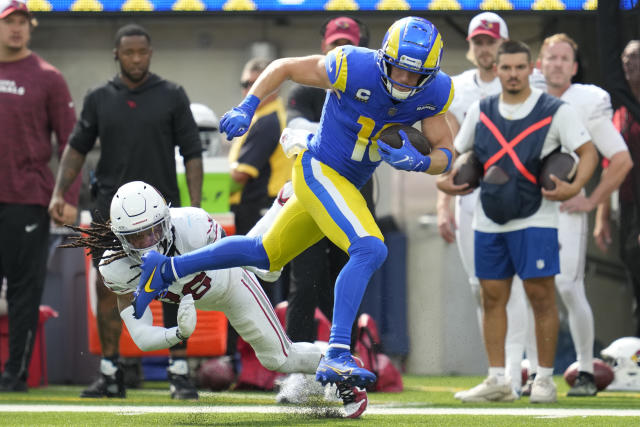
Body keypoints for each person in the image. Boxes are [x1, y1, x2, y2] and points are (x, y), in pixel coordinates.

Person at [135, 16, 455, 390]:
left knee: (263, 254)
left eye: (415, 76)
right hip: (318, 168)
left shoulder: (434, 93)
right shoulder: (352, 65)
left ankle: (167, 269)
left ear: (430, 75)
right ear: (385, 58)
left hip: (348, 183)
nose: (404, 80)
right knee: (370, 248)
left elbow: (447, 152)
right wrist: (248, 105)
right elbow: (284, 67)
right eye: (399, 69)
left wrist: (422, 162)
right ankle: (337, 354)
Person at [63, 181, 368, 418]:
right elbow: (141, 336)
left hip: (230, 283)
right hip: (204, 295)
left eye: (153, 231)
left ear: (167, 220)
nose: (147, 244)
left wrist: (260, 262)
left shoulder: (193, 225)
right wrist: (176, 334)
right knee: (276, 341)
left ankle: (343, 369)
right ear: (120, 236)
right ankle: (333, 360)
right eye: (136, 237)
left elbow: (237, 252)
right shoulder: (115, 267)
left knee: (277, 347)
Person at [48, 24, 203, 399]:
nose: (136, 58)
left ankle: (179, 372)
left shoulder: (172, 95)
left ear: (151, 53)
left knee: (173, 285)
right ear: (116, 55)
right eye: (129, 52)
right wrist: (58, 192)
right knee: (107, 287)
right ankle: (111, 372)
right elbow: (76, 148)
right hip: (108, 216)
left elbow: (193, 152)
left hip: (162, 213)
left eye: (142, 52)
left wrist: (194, 207)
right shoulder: (100, 97)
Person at [438, 40, 598, 404]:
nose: (512, 74)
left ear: (531, 69)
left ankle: (543, 379)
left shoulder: (556, 110)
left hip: (536, 217)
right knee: (492, 297)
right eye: (505, 68)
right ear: (497, 70)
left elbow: (587, 152)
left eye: (519, 68)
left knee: (541, 297)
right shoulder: (480, 111)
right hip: (488, 219)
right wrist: (445, 183)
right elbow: (461, 156)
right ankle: (497, 379)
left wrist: (573, 186)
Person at [510, 33, 632, 397]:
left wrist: (592, 200)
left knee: (567, 286)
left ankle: (585, 371)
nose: (558, 64)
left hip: (566, 205)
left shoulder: (587, 101)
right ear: (540, 64)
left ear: (575, 67)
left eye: (565, 58)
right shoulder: (524, 97)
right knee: (529, 287)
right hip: (528, 206)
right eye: (552, 57)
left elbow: (621, 158)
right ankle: (534, 371)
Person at [435, 12, 533, 395]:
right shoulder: (455, 89)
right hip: (472, 199)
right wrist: (443, 204)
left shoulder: (527, 83)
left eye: (491, 41)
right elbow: (451, 153)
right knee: (482, 287)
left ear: (504, 44)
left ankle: (515, 371)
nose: (484, 48)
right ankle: (498, 375)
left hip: (519, 197)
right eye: (478, 41)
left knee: (519, 287)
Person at [277, 16, 373, 404]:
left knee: (346, 287)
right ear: (323, 43)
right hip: (315, 194)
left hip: (357, 195)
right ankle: (299, 377)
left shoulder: (375, 83)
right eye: (334, 43)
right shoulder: (310, 83)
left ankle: (342, 371)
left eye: (347, 42)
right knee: (305, 285)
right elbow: (299, 125)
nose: (339, 50)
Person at [0, 0, 80, 392]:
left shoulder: (48, 77)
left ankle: (15, 374)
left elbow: (71, 141)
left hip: (26, 198)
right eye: (8, 21)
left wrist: (67, 194)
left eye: (22, 22)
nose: (16, 28)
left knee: (23, 290)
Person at [228, 56, 291, 304]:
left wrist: (203, 188)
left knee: (253, 284)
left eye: (255, 84)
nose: (248, 90)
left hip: (260, 209)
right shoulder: (261, 116)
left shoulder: (268, 121)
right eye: (245, 83)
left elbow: (241, 175)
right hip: (263, 208)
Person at [595, 40, 640, 338]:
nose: (628, 62)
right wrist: (601, 215)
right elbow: (610, 163)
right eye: (624, 57)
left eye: (635, 57)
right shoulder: (619, 110)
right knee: (633, 268)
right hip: (627, 203)